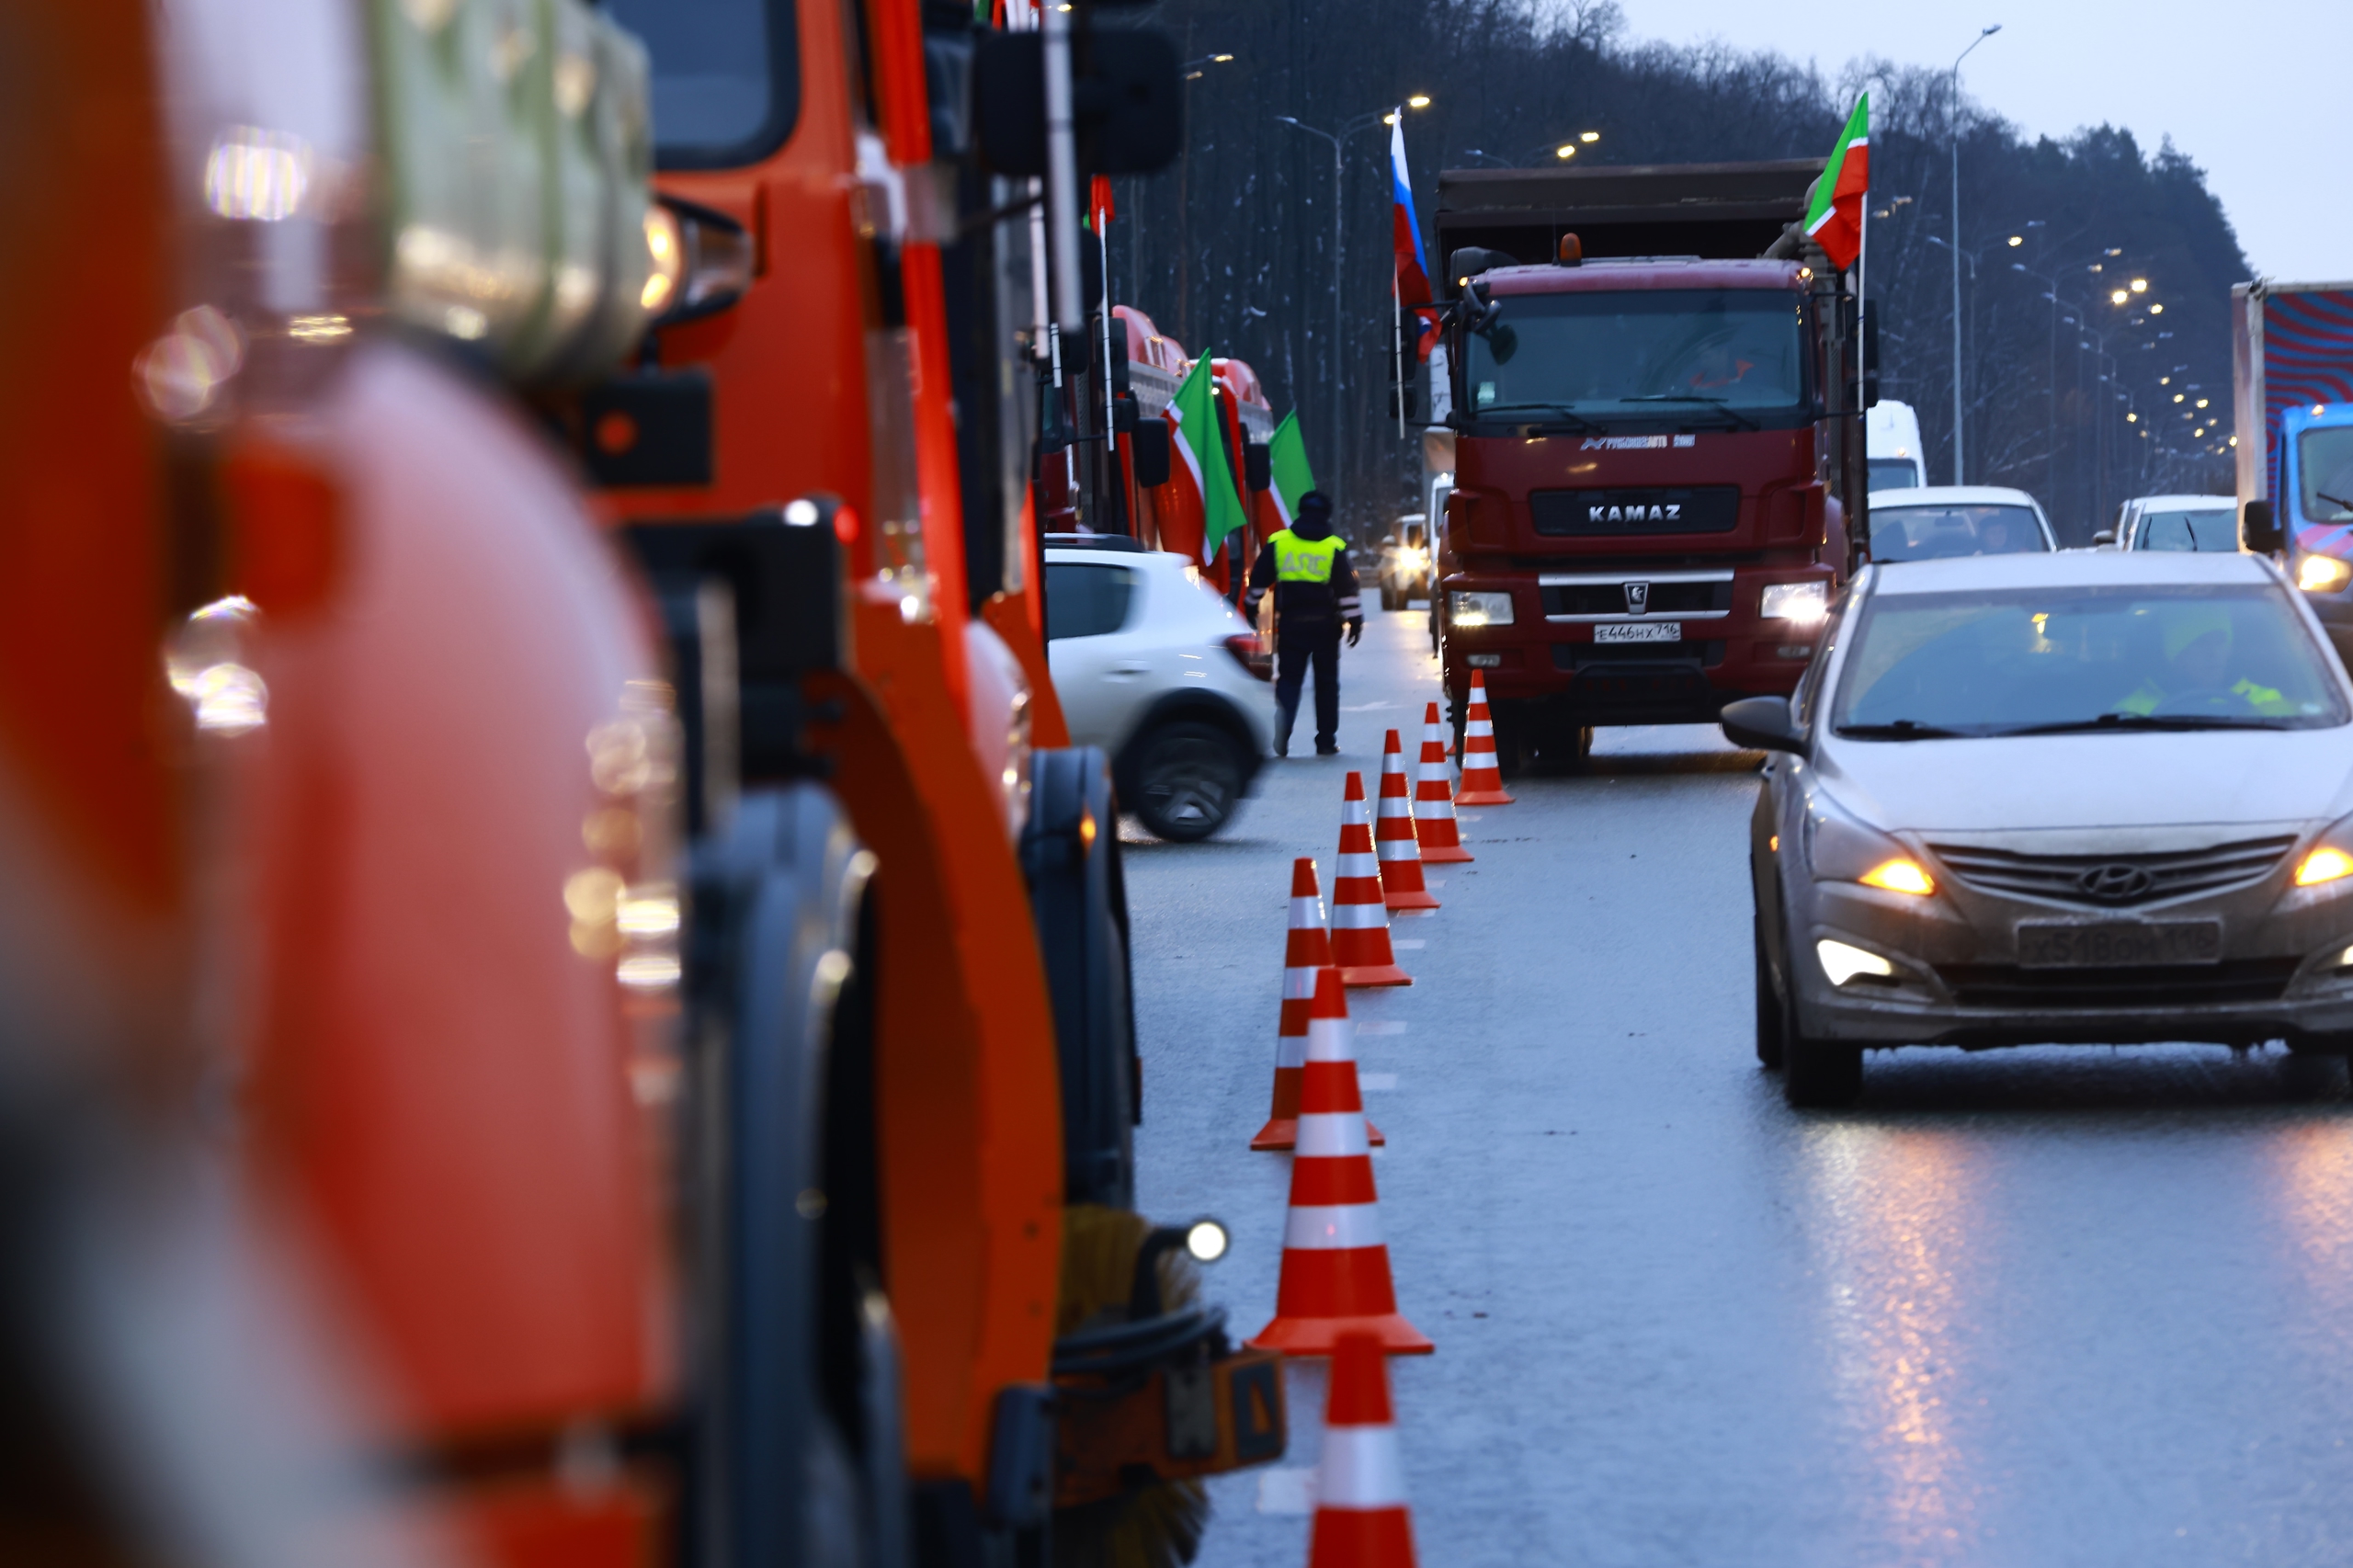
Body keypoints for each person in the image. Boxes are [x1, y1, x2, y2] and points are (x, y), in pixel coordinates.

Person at [1243, 490, 1362, 756]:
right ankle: (1326, 741)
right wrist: (1355, 622)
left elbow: (1258, 581)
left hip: (1292, 625)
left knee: (1289, 681)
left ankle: (1282, 736)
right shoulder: (1334, 546)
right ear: (1327, 514)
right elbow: (1346, 590)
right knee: (1326, 684)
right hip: (1325, 627)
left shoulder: (1279, 542)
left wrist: (1250, 607)